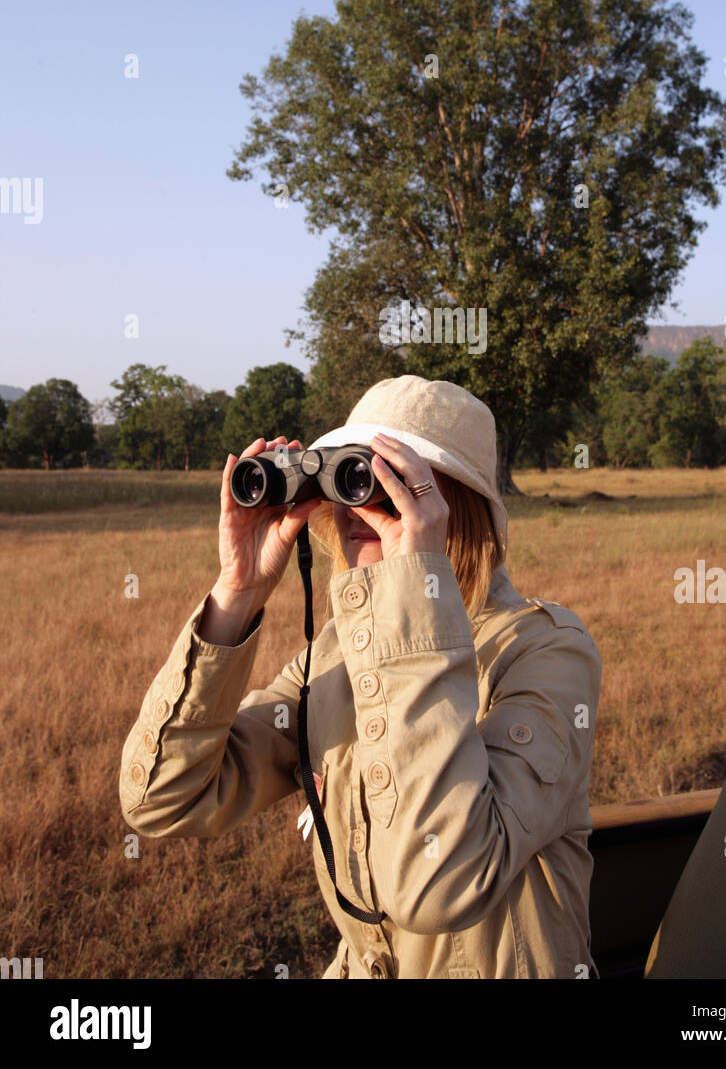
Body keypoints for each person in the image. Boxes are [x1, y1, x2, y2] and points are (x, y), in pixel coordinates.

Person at [119, 374, 602, 979]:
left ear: (459, 505)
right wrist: (238, 593)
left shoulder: (545, 651)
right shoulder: (337, 655)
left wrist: (415, 595)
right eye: (349, 478)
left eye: (388, 480)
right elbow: (162, 799)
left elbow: (439, 884)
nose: (358, 505)